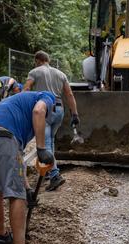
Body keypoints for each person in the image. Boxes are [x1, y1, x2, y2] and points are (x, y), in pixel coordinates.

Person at [0, 91, 56, 244]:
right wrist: (41, 148)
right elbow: (38, 111)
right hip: (3, 137)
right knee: (16, 195)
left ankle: (2, 238)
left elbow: (18, 156)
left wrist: (27, 188)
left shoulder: (17, 105)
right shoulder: (47, 97)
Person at [24, 50, 80, 191]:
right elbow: (69, 94)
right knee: (50, 140)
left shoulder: (34, 72)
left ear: (37, 60)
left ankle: (55, 175)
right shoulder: (61, 74)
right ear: (48, 60)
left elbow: (26, 89)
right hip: (59, 109)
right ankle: (50, 170)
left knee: (45, 143)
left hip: (45, 109)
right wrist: (75, 114)